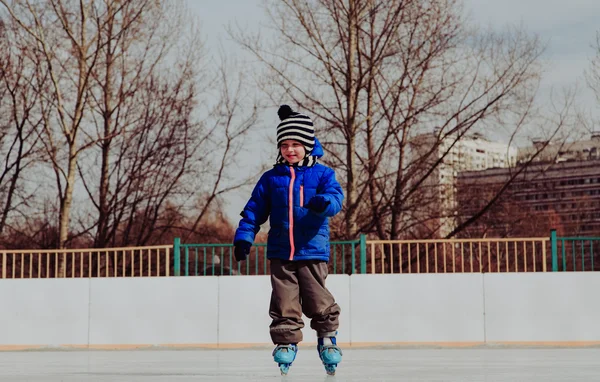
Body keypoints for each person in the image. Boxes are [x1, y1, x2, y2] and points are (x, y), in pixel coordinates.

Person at [233, 105, 344, 375]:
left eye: (296, 144)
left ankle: (327, 338)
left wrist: (324, 202)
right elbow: (254, 210)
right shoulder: (271, 179)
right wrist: (244, 236)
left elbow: (336, 199)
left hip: (312, 251)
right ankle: (286, 342)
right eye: (284, 144)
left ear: (308, 145)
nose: (290, 150)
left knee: (317, 299)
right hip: (281, 251)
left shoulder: (323, 175)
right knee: (284, 301)